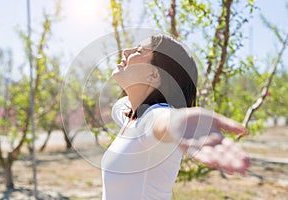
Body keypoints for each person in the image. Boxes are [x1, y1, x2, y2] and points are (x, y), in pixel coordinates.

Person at [101, 34, 250, 200]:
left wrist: (178, 123)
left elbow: (163, 119)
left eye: (139, 51)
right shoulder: (132, 117)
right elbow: (121, 106)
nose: (127, 51)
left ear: (153, 75)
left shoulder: (153, 117)